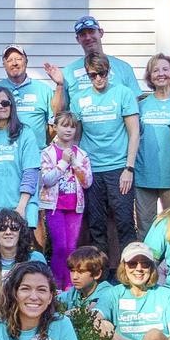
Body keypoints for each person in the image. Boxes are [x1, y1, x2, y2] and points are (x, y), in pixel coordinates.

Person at [62, 52, 139, 255]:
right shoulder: (79, 99)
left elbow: (134, 132)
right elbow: (75, 136)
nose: (98, 78)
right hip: (91, 171)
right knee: (96, 224)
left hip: (119, 168)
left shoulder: (123, 93)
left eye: (102, 73)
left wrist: (129, 168)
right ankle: (101, 275)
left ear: (108, 72)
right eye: (92, 75)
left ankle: (127, 273)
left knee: (124, 222)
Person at [0, 85, 43, 244]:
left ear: (12, 106)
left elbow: (30, 175)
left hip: (18, 210)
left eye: (5, 103)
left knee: (18, 265)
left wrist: (20, 209)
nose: (0, 107)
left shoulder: (25, 133)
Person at [36, 111, 91, 287]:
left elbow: (87, 182)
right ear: (55, 127)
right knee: (59, 247)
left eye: (72, 126)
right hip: (55, 206)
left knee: (71, 248)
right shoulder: (47, 153)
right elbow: (47, 179)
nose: (68, 130)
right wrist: (64, 163)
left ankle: (70, 287)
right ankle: (56, 285)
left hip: (75, 206)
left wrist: (75, 163)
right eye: (64, 125)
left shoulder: (81, 154)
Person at [132, 55, 170, 233]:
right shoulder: (141, 105)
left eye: (165, 69)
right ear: (149, 76)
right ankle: (147, 260)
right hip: (144, 174)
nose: (160, 74)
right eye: (155, 70)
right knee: (145, 227)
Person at [48, 15, 137, 113]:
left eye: (91, 32)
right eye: (83, 34)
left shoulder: (123, 67)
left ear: (101, 33)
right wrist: (60, 85)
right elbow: (58, 112)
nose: (88, 37)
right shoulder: (68, 72)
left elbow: (135, 106)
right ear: (78, 39)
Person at [0, 45, 57, 143]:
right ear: (4, 64)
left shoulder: (43, 90)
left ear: (26, 61)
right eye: (9, 60)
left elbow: (53, 125)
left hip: (37, 153)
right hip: (5, 153)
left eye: (18, 59)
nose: (14, 63)